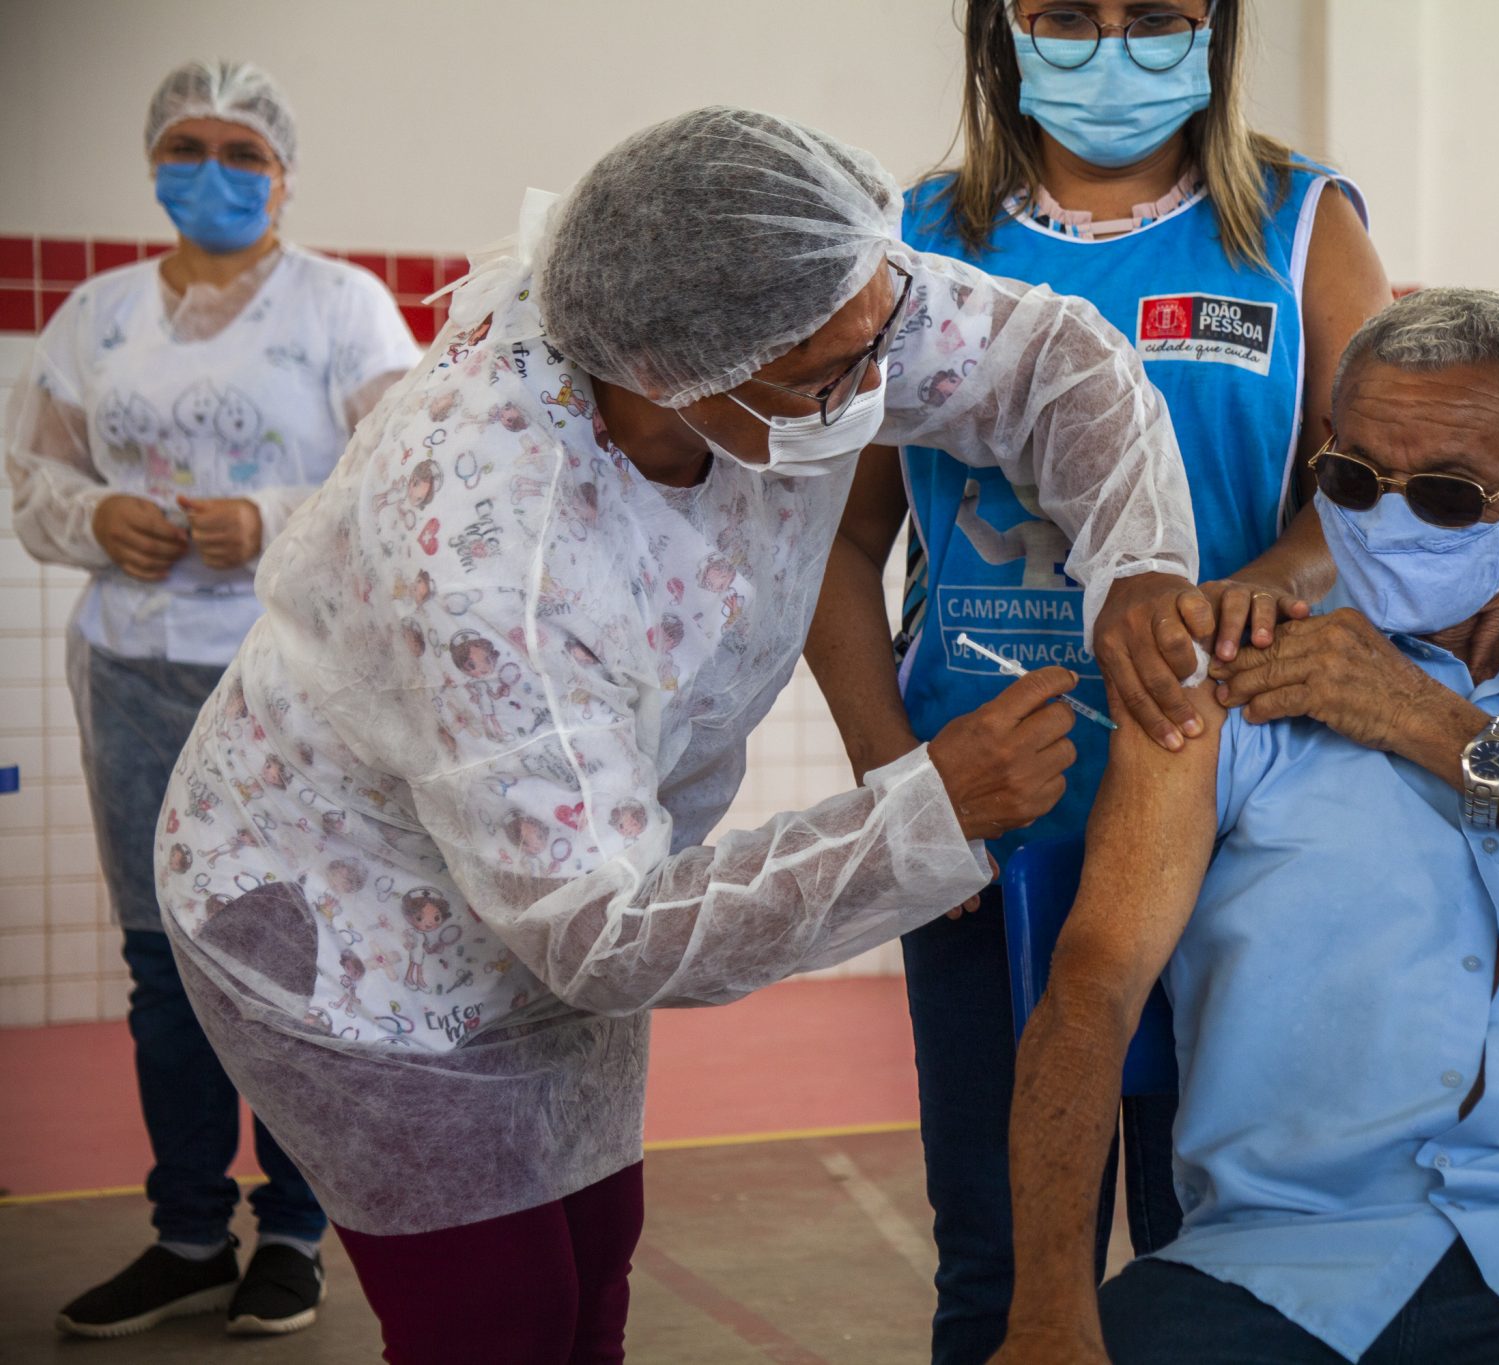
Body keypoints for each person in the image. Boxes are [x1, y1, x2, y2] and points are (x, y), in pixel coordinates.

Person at [149, 106, 1202, 1365]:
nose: (877, 389)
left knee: (595, 1263)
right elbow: (599, 934)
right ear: (667, 372)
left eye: (881, 340)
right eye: (829, 377)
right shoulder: (492, 553)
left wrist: (1136, 559)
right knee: (500, 1323)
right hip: (343, 921)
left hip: (565, 863)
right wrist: (927, 810)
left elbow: (1049, 362)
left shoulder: (805, 303)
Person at [991, 289, 1499, 1365]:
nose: (1383, 518)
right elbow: (1092, 987)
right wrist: (1051, 1314)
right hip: (1281, 1262)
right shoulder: (1226, 692)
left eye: (1442, 493)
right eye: (1351, 478)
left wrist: (1433, 724)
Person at [806, 4, 1389, 1355]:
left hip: (1234, 808)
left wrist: (1271, 584)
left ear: (1219, 30)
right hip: (988, 818)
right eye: (1070, 13)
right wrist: (904, 790)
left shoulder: (1301, 227)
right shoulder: (915, 236)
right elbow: (837, 540)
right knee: (1005, 1270)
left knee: (1219, 1262)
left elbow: (1365, 505)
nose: (1110, 45)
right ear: (1002, 27)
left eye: (1156, 16)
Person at [5, 60, 418, 1340]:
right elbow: (31, 485)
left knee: (289, 953)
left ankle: (292, 1230)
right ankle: (187, 1230)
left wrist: (272, 519)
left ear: (283, 173)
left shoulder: (342, 308)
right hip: (133, 670)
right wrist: (95, 514)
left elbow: (402, 483)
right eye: (187, 145)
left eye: (243, 152)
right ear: (151, 161)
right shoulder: (96, 316)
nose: (214, 171)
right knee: (160, 962)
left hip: (290, 678)